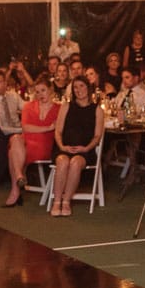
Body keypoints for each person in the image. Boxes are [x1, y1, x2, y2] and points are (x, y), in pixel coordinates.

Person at [50, 77, 105, 216]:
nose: (78, 90)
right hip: (64, 147)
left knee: (75, 163)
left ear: (88, 87)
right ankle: (57, 202)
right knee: (62, 162)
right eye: (75, 87)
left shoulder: (97, 109)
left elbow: (97, 136)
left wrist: (86, 148)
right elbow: (58, 131)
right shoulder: (66, 106)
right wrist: (62, 146)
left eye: (81, 86)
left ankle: (66, 202)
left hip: (85, 150)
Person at [3, 80, 60, 207]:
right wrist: (49, 127)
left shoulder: (59, 109)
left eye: (43, 90)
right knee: (16, 138)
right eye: (37, 92)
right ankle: (19, 176)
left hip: (44, 145)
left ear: (50, 90)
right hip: (26, 141)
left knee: (13, 150)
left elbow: (60, 129)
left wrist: (48, 129)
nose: (40, 94)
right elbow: (26, 128)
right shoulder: (29, 106)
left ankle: (15, 188)